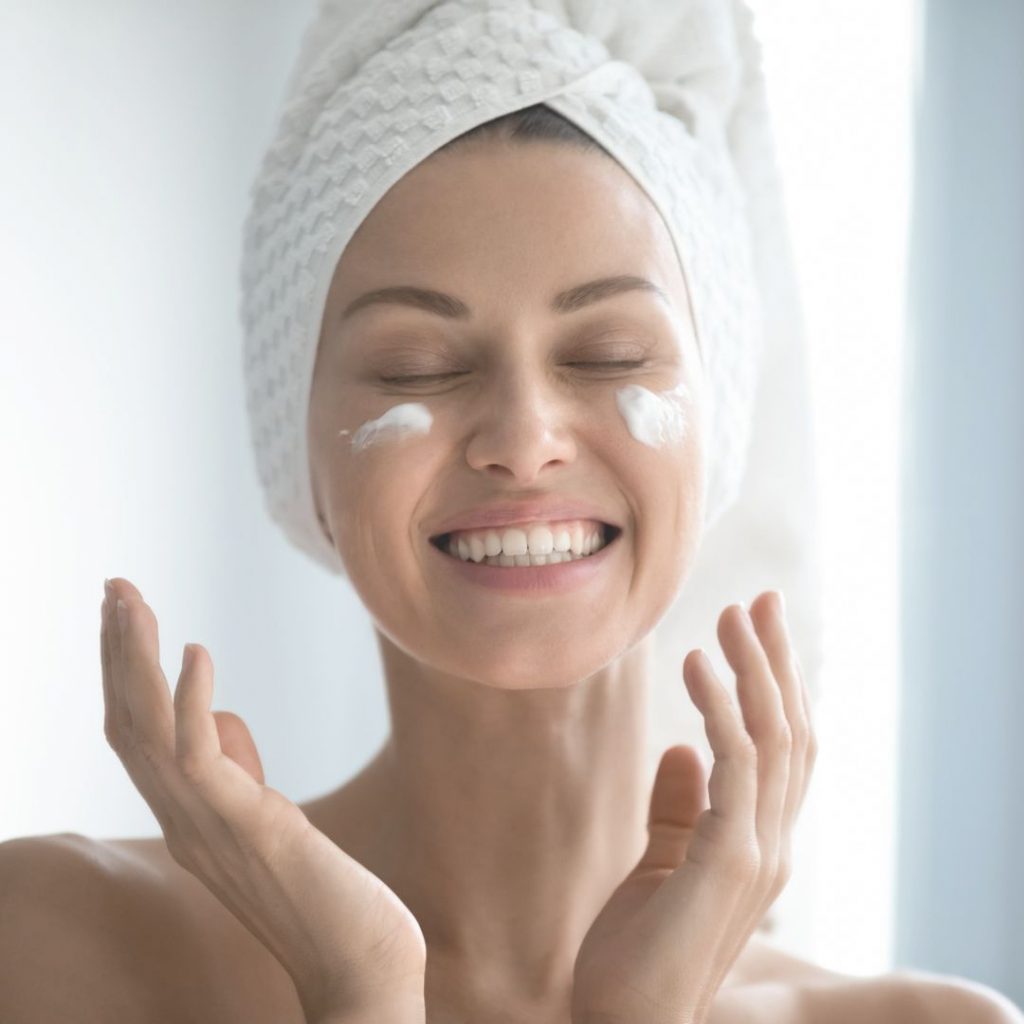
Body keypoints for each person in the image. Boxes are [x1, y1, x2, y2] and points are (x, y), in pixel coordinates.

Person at [2, 5, 1020, 1023]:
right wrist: (360, 988)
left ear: (720, 427)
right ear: (295, 446)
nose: (523, 436)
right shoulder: (52, 952)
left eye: (610, 354)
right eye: (419, 366)